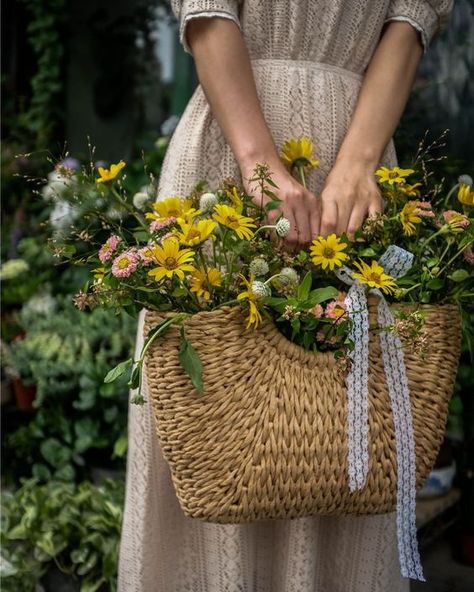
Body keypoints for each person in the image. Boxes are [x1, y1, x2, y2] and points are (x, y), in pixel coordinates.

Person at [118, 1, 454, 590]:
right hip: (234, 147)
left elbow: (411, 22)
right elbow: (207, 12)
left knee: (351, 425)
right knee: (213, 419)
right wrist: (258, 163)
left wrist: (359, 160)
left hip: (358, 171)